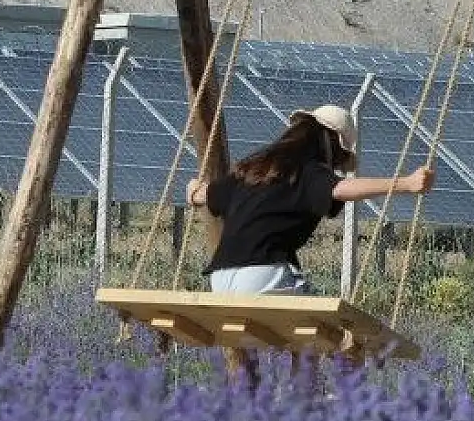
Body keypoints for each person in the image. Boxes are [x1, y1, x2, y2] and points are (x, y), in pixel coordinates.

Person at [185, 103, 433, 295]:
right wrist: (405, 184)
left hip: (220, 279)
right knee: (321, 329)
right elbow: (341, 189)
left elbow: (203, 195)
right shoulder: (309, 172)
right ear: (331, 146)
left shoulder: (253, 169)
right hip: (263, 275)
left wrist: (194, 189)